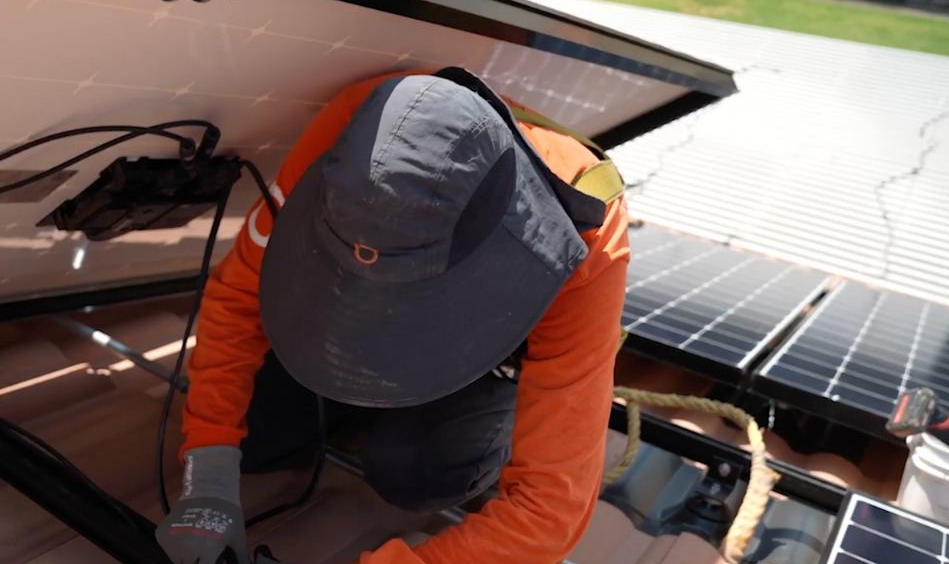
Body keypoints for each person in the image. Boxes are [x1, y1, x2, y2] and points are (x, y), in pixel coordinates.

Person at [154, 67, 630, 564]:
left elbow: (550, 514)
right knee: (251, 436)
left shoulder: (588, 236)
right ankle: (357, 397)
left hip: (475, 360)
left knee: (414, 469)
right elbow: (237, 296)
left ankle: (491, 417)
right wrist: (207, 475)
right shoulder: (362, 133)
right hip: (358, 322)